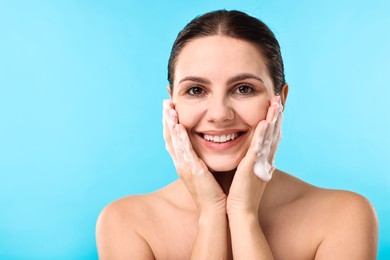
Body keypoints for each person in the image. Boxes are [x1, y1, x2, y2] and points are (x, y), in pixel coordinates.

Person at [96, 10, 378, 259]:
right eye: (196, 90)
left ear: (280, 99)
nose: (219, 114)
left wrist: (243, 214)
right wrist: (211, 214)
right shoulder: (126, 222)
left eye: (243, 88)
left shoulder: (344, 217)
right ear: (172, 103)